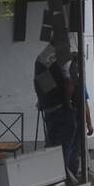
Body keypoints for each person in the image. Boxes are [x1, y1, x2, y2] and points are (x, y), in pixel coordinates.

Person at [34, 33, 77, 178]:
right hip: (61, 109)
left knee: (52, 146)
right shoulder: (62, 55)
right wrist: (68, 103)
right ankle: (64, 177)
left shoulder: (41, 59)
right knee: (66, 146)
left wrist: (43, 100)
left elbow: (44, 85)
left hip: (48, 109)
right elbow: (69, 82)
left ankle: (52, 178)